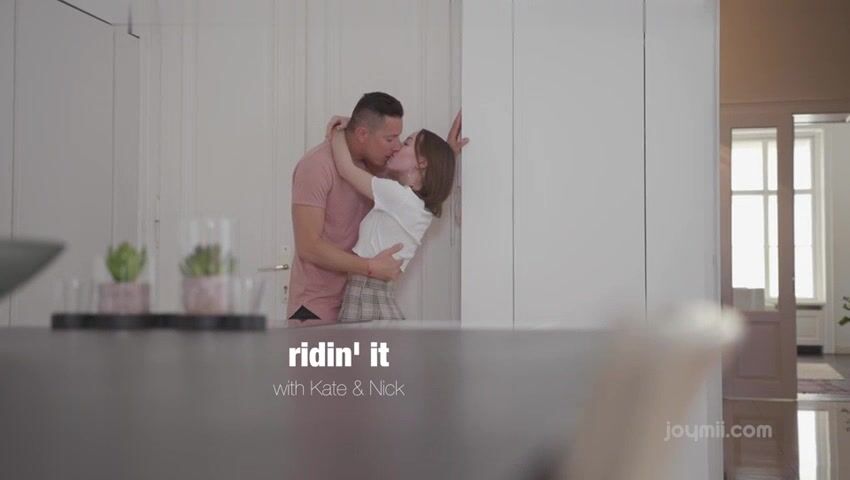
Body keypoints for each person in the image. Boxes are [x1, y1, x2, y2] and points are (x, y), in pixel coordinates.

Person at [288, 92, 467, 326]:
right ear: (363, 133)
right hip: (314, 305)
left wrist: (445, 155)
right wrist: (370, 267)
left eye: (401, 140)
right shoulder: (316, 166)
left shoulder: (382, 170)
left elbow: (420, 180)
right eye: (390, 139)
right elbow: (308, 247)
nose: (396, 146)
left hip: (356, 300)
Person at [329, 127, 455, 321]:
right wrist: (449, 152)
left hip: (365, 297)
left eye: (406, 143)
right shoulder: (417, 208)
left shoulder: (398, 197)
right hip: (377, 297)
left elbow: (346, 168)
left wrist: (339, 131)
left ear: (422, 162)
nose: (397, 148)